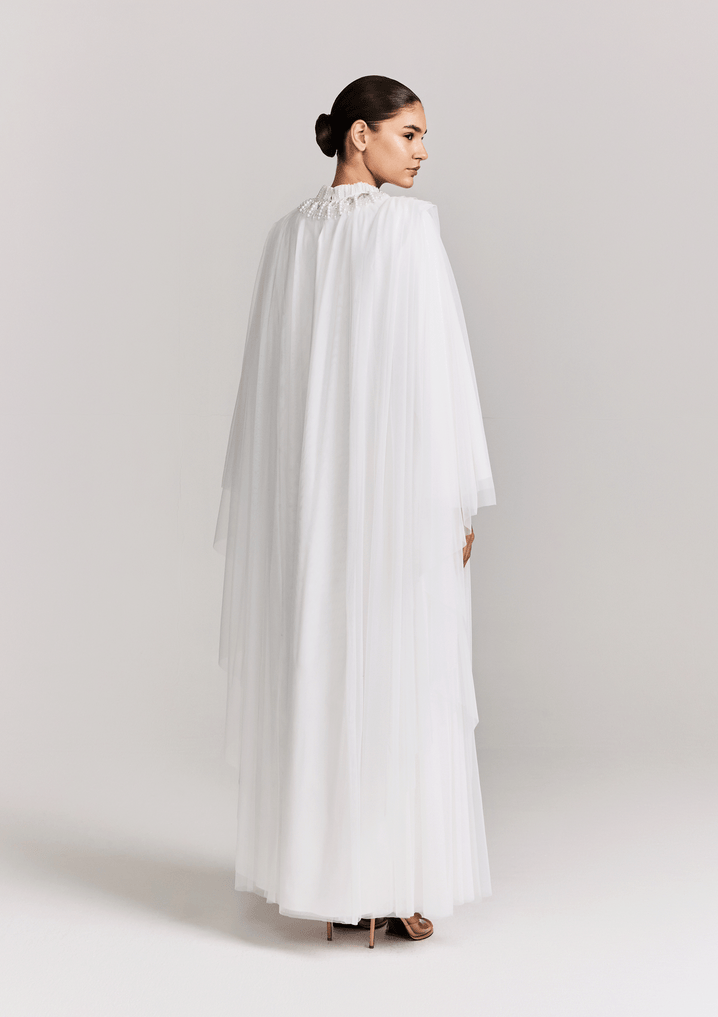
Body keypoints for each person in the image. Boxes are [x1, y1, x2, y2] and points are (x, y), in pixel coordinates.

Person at [214, 75, 496, 947]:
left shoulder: (288, 237)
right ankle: (394, 878)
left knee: (325, 661)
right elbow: (436, 374)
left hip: (315, 498)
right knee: (397, 668)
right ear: (359, 135)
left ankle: (338, 878)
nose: (422, 152)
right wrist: (456, 498)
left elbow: (274, 392)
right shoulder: (408, 229)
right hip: (395, 489)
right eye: (409, 133)